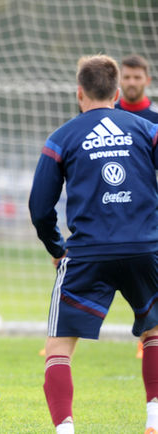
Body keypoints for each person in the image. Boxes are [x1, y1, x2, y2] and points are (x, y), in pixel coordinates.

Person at [29, 54, 158, 434]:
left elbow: (40, 208)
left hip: (86, 254)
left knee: (58, 349)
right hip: (145, 250)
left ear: (79, 93)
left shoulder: (62, 137)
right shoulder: (145, 129)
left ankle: (66, 430)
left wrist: (57, 249)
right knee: (154, 333)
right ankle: (154, 419)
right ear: (117, 93)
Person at [115, 54, 158, 360]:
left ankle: (149, 338)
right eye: (126, 77)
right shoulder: (106, 115)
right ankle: (63, 337)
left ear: (147, 80)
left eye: (136, 77)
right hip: (114, 214)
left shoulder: (155, 121)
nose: (131, 82)